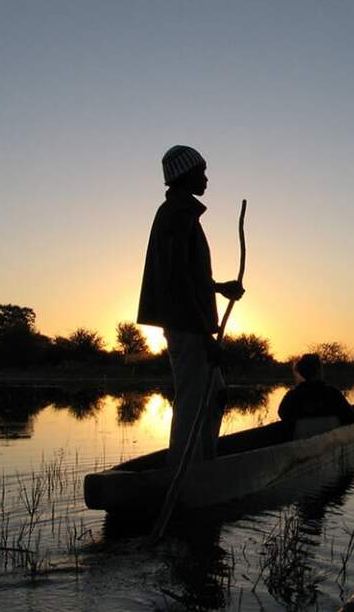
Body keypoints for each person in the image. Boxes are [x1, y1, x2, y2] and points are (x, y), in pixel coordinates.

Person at [137, 145, 244, 467]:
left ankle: (202, 460)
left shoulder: (181, 212)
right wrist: (204, 335)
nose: (207, 178)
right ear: (186, 175)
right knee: (193, 400)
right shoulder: (177, 213)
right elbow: (177, 278)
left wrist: (218, 287)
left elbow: (186, 272)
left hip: (190, 322)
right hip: (187, 325)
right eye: (202, 171)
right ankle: (184, 470)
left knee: (214, 395)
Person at [278, 354, 354, 425]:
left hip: (301, 438)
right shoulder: (333, 393)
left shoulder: (292, 395)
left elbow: (283, 415)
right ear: (319, 371)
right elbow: (351, 418)